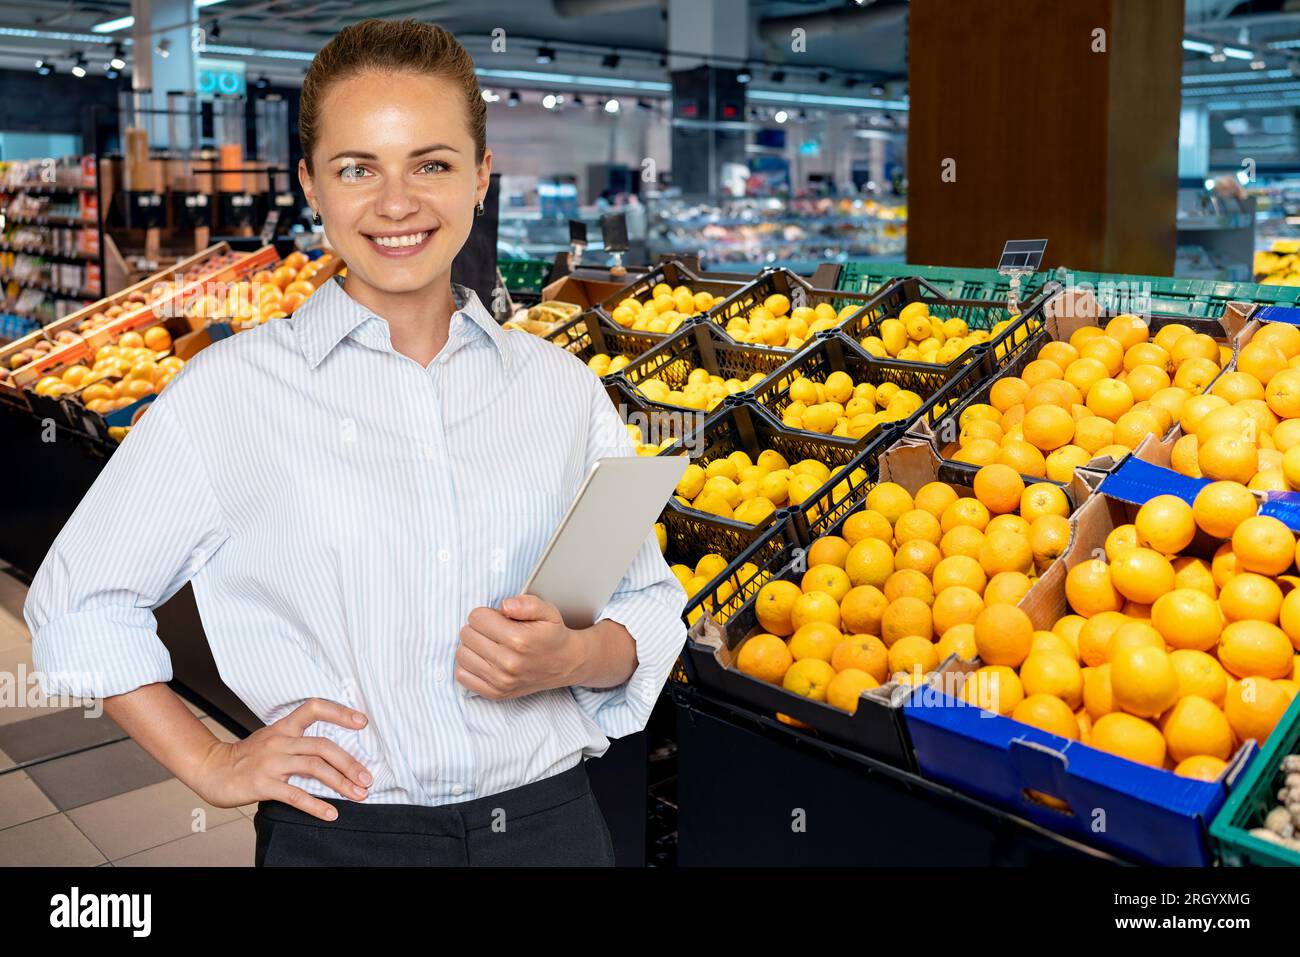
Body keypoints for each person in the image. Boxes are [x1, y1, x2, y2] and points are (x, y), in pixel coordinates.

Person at [23, 18, 688, 867]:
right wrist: (211, 760)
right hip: (344, 837)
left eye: (433, 164)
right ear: (310, 183)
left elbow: (641, 598)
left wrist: (575, 653)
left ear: (481, 176)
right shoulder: (231, 394)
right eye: (356, 169)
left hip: (550, 828)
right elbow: (81, 601)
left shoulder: (558, 389)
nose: (397, 203)